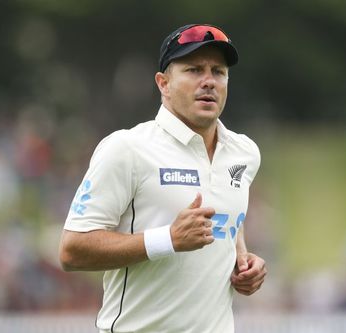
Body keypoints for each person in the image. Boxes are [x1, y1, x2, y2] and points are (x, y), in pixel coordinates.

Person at [59, 23, 267, 333]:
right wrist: (167, 239)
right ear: (163, 83)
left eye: (218, 71)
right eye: (194, 70)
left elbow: (227, 218)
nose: (208, 81)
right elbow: (72, 251)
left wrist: (243, 259)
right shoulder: (127, 148)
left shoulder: (244, 153)